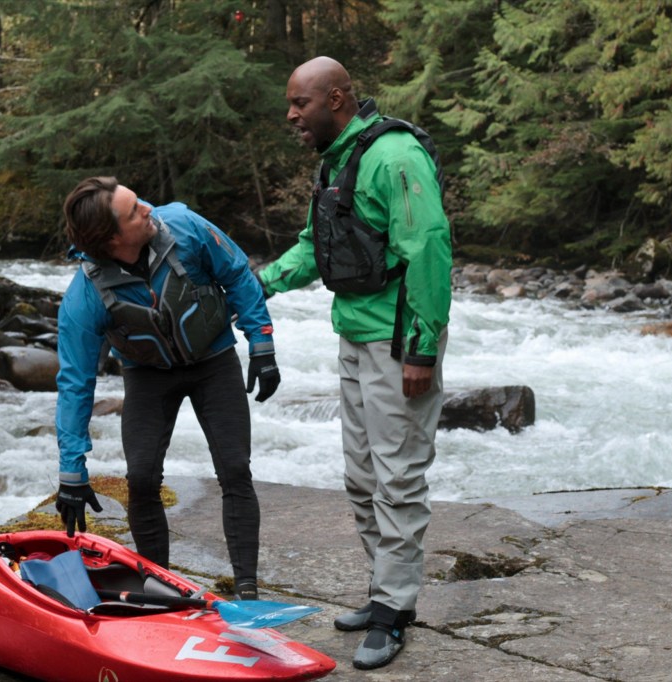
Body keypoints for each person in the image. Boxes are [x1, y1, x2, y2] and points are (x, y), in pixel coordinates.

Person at [255, 57, 451, 668]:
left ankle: (394, 612)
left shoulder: (395, 157)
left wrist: (421, 349)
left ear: (335, 98)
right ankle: (383, 593)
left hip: (398, 344)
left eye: (299, 103)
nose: (291, 115)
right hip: (353, 336)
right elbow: (319, 245)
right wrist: (262, 282)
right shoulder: (338, 158)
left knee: (398, 478)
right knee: (361, 476)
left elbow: (428, 249)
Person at [54, 176, 281, 601]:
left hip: (213, 361)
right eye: (134, 210)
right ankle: (161, 588)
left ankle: (246, 591)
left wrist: (262, 346)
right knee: (141, 478)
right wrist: (72, 473)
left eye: (138, 199)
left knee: (234, 469)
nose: (148, 209)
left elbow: (238, 274)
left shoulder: (182, 225)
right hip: (147, 375)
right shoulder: (85, 296)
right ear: (111, 239)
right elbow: (75, 384)